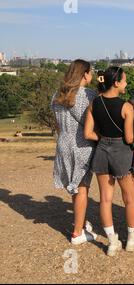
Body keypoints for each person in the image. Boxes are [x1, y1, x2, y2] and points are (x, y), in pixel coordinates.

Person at [84, 67, 134, 256]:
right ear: (116, 83)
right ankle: (131, 240)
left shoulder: (94, 103)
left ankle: (112, 242)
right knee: (129, 199)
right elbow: (130, 138)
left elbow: (88, 133)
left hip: (102, 151)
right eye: (124, 80)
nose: (126, 83)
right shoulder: (126, 107)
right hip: (122, 151)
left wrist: (103, 139)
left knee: (105, 199)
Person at [51, 59, 98, 245]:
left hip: (63, 142)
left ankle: (81, 222)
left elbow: (57, 123)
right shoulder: (87, 95)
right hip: (81, 145)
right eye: (91, 72)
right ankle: (78, 233)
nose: (92, 75)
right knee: (82, 188)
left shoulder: (57, 94)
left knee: (74, 187)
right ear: (85, 74)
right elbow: (91, 122)